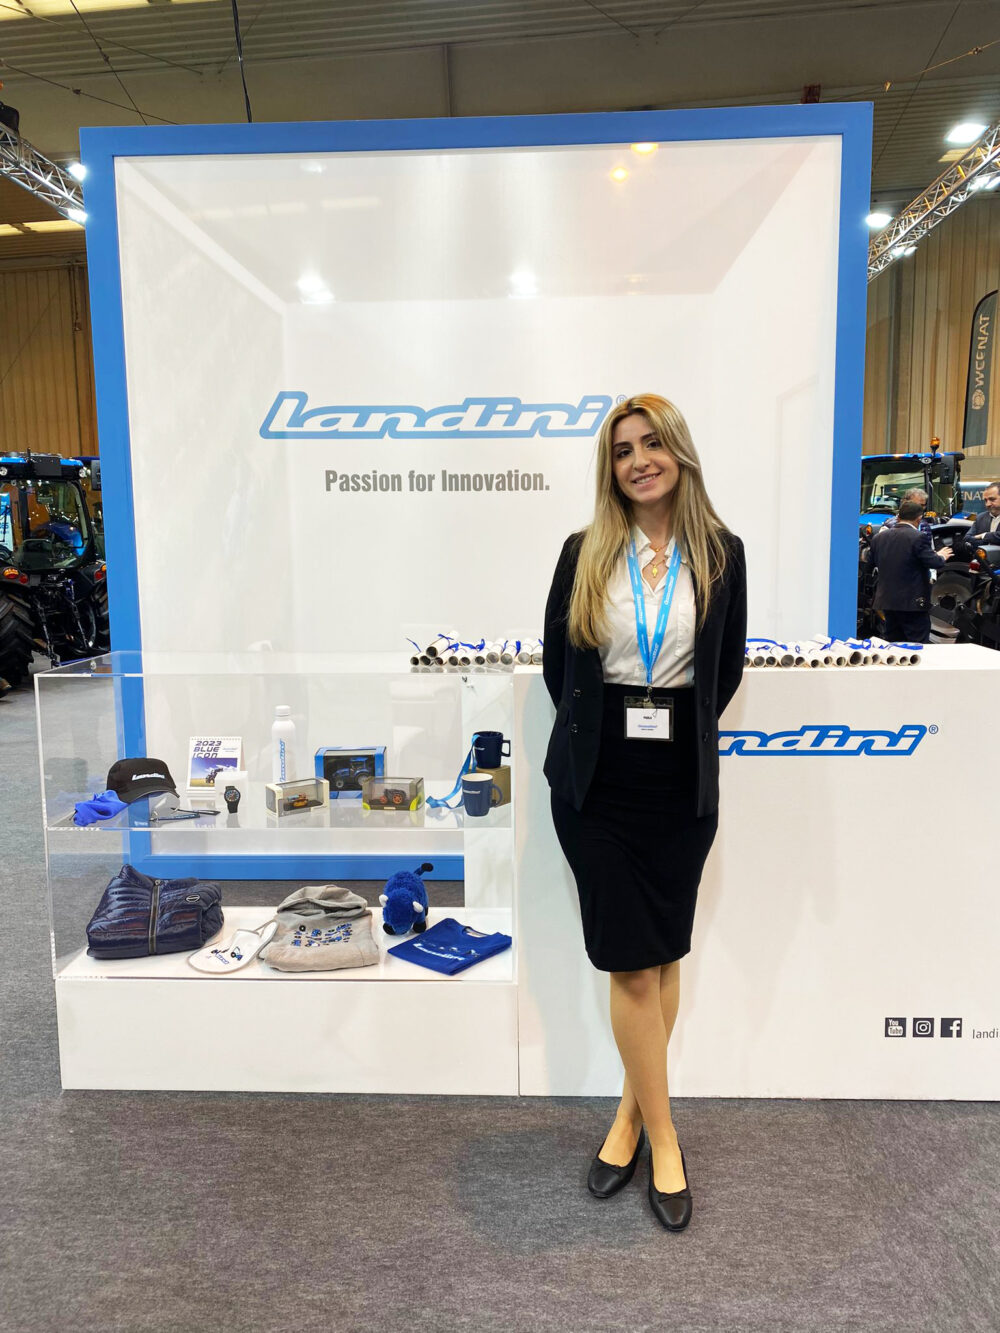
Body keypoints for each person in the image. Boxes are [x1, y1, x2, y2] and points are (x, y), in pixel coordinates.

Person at [542, 394, 747, 1233]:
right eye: (623, 450)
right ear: (611, 469)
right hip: (598, 783)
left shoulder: (722, 553)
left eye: (651, 443)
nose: (638, 461)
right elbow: (558, 668)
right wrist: (610, 732)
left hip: (679, 783)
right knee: (630, 964)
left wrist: (671, 733)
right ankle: (665, 1140)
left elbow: (724, 670)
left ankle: (628, 1118)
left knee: (660, 955)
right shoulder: (583, 551)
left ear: (679, 453)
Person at [870, 494, 952, 643]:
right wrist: (941, 556)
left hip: (887, 601)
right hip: (912, 603)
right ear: (919, 518)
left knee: (893, 644)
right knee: (917, 644)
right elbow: (934, 562)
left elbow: (872, 563)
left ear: (898, 517)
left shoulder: (878, 538)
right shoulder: (918, 537)